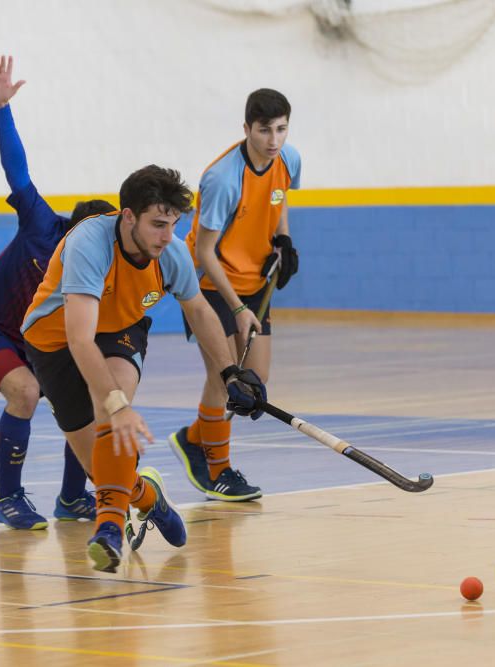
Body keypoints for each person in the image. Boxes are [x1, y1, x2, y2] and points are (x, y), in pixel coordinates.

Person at [21, 164, 268, 572]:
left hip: (120, 329)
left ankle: (109, 532)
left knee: (109, 417)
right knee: (104, 473)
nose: (167, 236)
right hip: (55, 342)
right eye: (157, 224)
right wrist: (118, 406)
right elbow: (80, 339)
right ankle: (149, 496)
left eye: (172, 224)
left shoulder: (168, 251)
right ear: (128, 216)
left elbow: (200, 311)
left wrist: (229, 374)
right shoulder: (89, 244)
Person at [0, 55, 112, 529]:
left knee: (78, 395)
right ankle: (7, 498)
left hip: (34, 338)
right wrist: (1, 109)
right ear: (74, 232)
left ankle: (72, 498)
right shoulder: (43, 225)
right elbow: (17, 170)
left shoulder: (104, 266)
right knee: (24, 390)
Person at [169, 88, 301, 502]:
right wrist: (238, 307)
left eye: (281, 129)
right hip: (211, 287)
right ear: (246, 129)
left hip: (254, 283)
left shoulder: (289, 159)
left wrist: (283, 241)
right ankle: (219, 470)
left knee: (254, 381)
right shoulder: (224, 179)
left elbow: (278, 200)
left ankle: (194, 439)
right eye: (264, 130)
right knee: (224, 379)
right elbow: (204, 252)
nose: (273, 140)